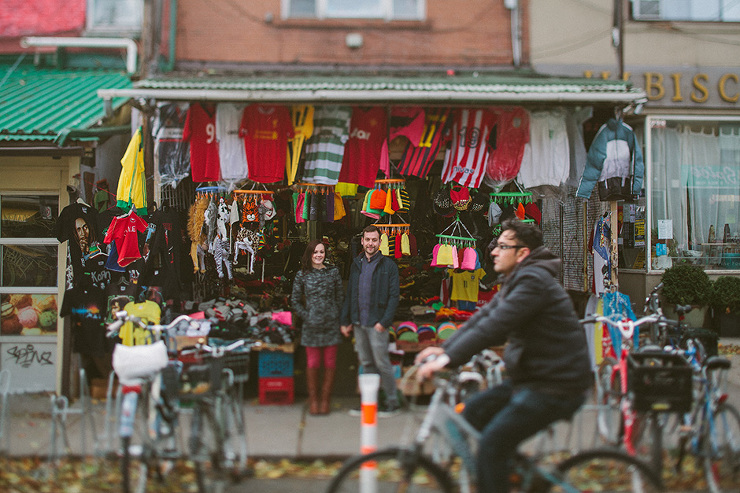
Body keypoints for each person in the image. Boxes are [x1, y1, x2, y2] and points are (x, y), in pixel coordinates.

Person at [416, 219, 592, 493]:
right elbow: (484, 316)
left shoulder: (533, 282)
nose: (493, 252)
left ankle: (499, 474)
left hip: (557, 385)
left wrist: (449, 361)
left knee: (491, 446)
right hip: (533, 378)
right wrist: (444, 351)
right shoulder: (517, 280)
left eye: (502, 247)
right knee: (472, 413)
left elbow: (496, 325)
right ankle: (513, 475)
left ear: (522, 253)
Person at [341, 225, 401, 416]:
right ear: (362, 241)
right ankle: (369, 403)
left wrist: (384, 322)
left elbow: (394, 296)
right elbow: (350, 292)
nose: (370, 243)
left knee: (382, 364)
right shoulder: (356, 263)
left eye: (374, 240)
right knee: (366, 364)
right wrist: (347, 320)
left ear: (380, 242)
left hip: (377, 324)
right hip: (359, 322)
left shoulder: (389, 266)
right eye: (367, 240)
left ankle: (392, 402)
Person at [291, 240, 343, 415]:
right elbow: (295, 301)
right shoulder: (302, 275)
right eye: (315, 252)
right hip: (311, 326)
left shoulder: (333, 272)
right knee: (313, 363)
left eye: (322, 252)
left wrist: (335, 313)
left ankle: (325, 399)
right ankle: (314, 399)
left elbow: (340, 296)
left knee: (330, 362)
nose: (319, 255)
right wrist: (307, 316)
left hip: (330, 324)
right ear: (310, 255)